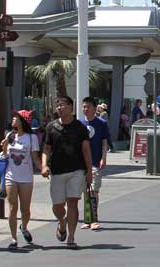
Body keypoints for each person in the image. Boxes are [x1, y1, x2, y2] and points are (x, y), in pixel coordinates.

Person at [41, 96, 92, 249]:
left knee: (72, 201)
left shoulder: (80, 128)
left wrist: (89, 171)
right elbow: (46, 149)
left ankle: (71, 236)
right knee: (57, 206)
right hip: (57, 171)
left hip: (76, 169)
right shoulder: (51, 127)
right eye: (58, 105)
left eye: (62, 105)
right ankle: (61, 222)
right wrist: (44, 165)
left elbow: (86, 151)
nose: (59, 108)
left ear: (71, 107)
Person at [1, 111, 40, 249]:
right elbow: (5, 155)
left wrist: (43, 168)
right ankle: (13, 238)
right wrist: (4, 146)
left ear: (23, 121)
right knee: (12, 207)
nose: (12, 119)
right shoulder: (10, 135)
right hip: (11, 176)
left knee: (25, 209)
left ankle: (23, 226)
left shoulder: (31, 138)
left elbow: (35, 158)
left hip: (26, 177)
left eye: (15, 117)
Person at [81, 98, 110, 230]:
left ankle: (94, 220)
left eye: (87, 107)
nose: (85, 109)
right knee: (86, 192)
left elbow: (104, 142)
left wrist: (104, 158)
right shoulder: (79, 123)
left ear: (94, 108)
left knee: (94, 191)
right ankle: (87, 219)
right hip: (81, 164)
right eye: (83, 107)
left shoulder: (101, 123)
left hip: (94, 162)